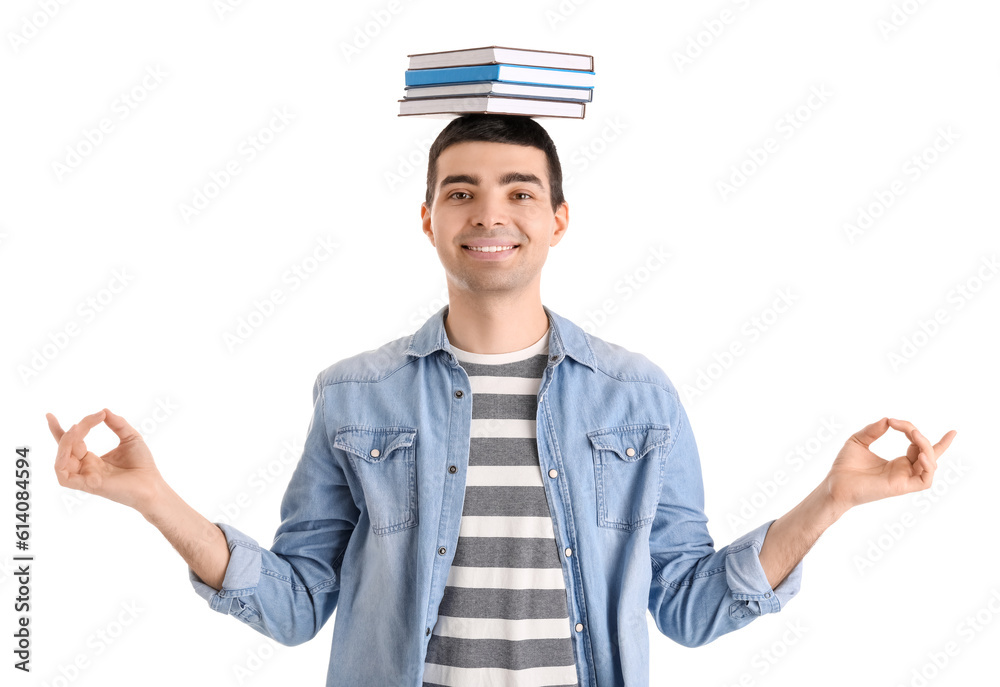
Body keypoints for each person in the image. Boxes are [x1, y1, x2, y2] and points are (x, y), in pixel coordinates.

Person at [48, 114, 957, 687]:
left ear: (558, 218)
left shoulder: (637, 396)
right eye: (462, 192)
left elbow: (685, 605)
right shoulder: (354, 393)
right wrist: (153, 499)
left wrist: (833, 501)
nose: (491, 212)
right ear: (429, 218)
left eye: (520, 191)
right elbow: (292, 606)